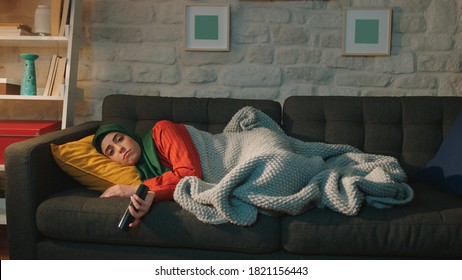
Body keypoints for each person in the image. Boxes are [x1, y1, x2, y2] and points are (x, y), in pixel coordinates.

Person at [92, 120, 202, 229]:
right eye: (111, 151)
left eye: (120, 139)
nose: (119, 148)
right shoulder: (143, 174)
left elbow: (190, 174)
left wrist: (139, 189)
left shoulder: (162, 130)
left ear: (130, 135)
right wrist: (150, 194)